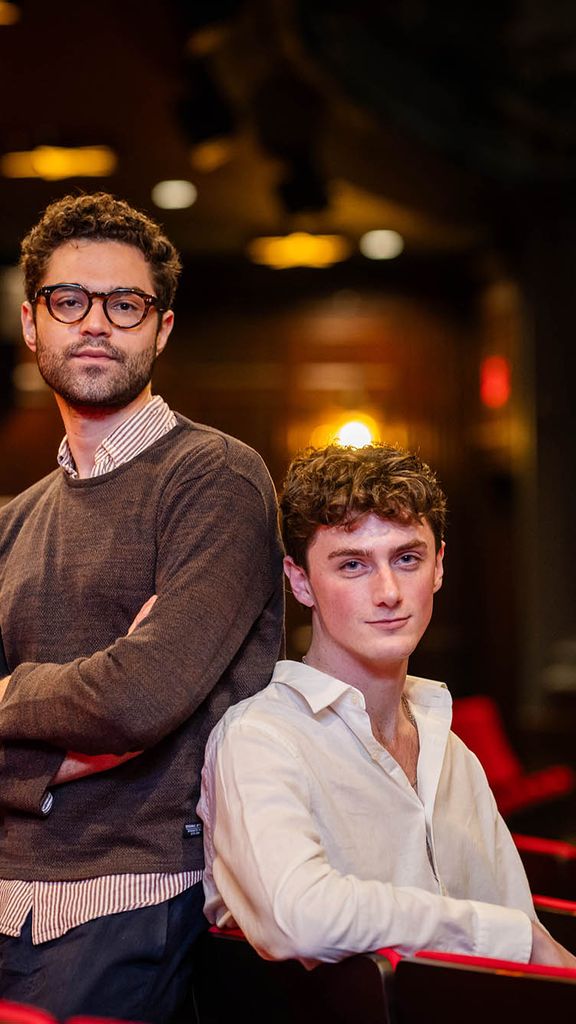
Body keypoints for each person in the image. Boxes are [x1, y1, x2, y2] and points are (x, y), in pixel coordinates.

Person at [0, 192, 284, 1022]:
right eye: (69, 301)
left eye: (125, 304)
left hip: (136, 894)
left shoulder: (216, 480)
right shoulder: (12, 521)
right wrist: (74, 722)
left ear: (161, 329)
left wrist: (16, 698)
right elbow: (115, 703)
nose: (95, 323)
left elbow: (137, 699)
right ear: (31, 323)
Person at [199, 442, 576, 969]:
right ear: (301, 580)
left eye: (407, 558)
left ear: (439, 567)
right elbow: (299, 920)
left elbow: (517, 939)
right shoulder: (260, 737)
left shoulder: (452, 750)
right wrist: (505, 935)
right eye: (353, 565)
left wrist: (519, 940)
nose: (389, 592)